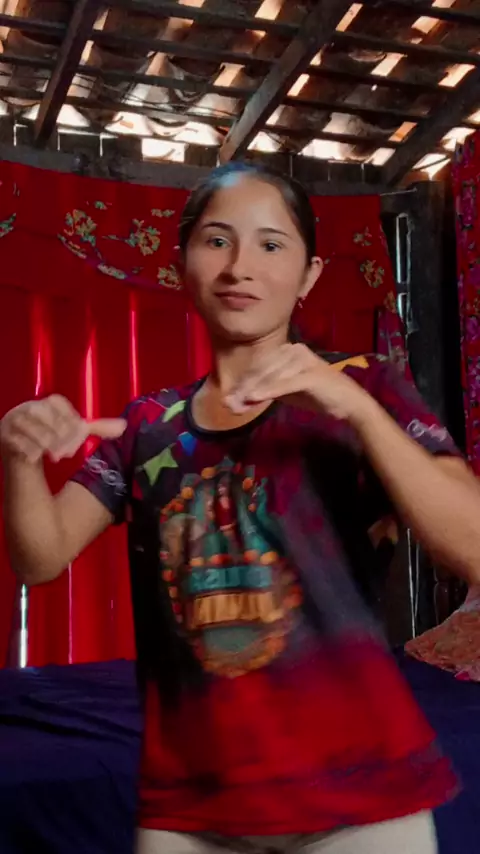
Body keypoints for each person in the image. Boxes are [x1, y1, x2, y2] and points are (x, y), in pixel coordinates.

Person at [2, 162, 480, 854]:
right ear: (183, 264)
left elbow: (471, 547)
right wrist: (19, 456)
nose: (240, 267)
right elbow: (40, 558)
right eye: (217, 240)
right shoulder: (149, 424)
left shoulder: (365, 386)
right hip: (189, 807)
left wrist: (358, 413)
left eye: (270, 244)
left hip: (361, 798)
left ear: (310, 275)